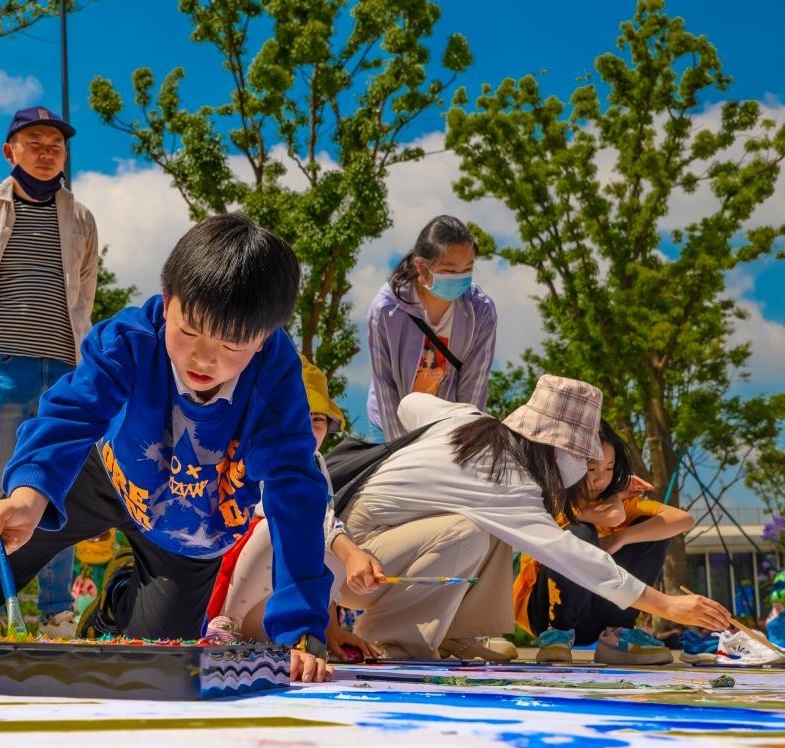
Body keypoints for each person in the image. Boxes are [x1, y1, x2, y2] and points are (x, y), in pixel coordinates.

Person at [0, 213, 336, 681]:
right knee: (12, 529)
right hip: (107, 475)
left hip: (192, 520)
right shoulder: (130, 338)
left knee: (157, 653)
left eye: (231, 345)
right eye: (189, 331)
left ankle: (115, 602)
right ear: (168, 301)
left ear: (264, 338)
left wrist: (299, 627)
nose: (204, 358)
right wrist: (28, 496)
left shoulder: (276, 379)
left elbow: (295, 492)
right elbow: (70, 413)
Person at [335, 375, 730, 661]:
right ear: (556, 449)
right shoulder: (509, 483)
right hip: (352, 563)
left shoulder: (470, 420)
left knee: (480, 528)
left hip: (366, 543)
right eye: (581, 457)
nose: (582, 468)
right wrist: (669, 606)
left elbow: (410, 404)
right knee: (467, 531)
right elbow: (577, 558)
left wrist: (425, 386)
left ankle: (455, 632)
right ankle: (396, 642)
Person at [0, 106, 99, 639]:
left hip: (63, 369)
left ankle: (56, 611)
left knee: (58, 488)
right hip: (0, 367)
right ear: (10, 151)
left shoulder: (81, 218)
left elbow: (85, 290)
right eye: (34, 141)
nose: (47, 150)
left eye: (56, 143)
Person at [204, 356, 382, 662]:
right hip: (235, 573)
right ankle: (225, 620)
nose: (310, 429)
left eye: (319, 420)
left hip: (270, 603)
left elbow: (315, 537)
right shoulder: (257, 449)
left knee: (330, 550)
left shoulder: (317, 465)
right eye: (302, 416)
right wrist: (349, 551)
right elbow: (297, 516)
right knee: (275, 530)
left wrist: (331, 626)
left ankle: (303, 629)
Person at [514, 421, 696, 664]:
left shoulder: (613, 499)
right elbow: (611, 516)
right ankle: (557, 636)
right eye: (591, 469)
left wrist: (619, 537)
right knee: (581, 534)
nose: (601, 479)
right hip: (545, 611)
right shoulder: (552, 497)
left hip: (595, 615)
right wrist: (618, 498)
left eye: (609, 469)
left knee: (650, 528)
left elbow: (683, 520)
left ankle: (618, 634)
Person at [365, 215, 496, 442]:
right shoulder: (386, 309)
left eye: (468, 270)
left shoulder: (481, 311)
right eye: (450, 271)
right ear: (421, 267)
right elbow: (385, 386)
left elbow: (473, 388)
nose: (460, 278)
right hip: (388, 426)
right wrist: (400, 450)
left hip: (446, 426)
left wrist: (460, 444)